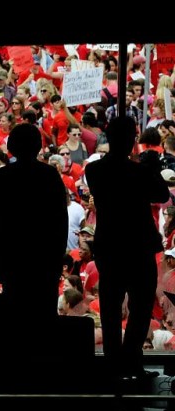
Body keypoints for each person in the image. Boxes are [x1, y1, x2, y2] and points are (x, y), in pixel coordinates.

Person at [84, 116, 171, 380]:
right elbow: (161, 195)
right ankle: (132, 361)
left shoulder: (94, 170)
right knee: (141, 308)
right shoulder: (139, 172)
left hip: (109, 247)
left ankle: (113, 364)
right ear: (132, 140)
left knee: (110, 308)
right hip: (138, 247)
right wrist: (151, 168)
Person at [0, 123, 68, 318]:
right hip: (44, 259)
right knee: (43, 316)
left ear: (12, 147)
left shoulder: (3, 176)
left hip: (13, 259)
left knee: (15, 316)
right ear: (38, 146)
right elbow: (61, 220)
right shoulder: (50, 175)